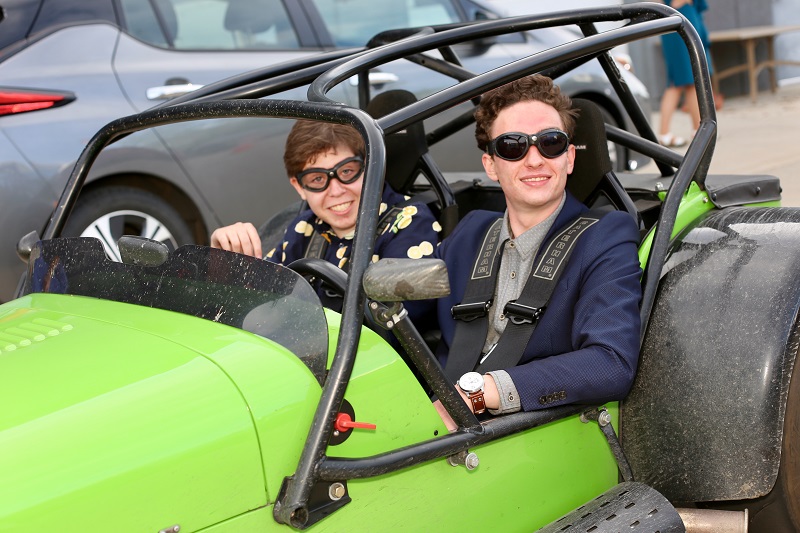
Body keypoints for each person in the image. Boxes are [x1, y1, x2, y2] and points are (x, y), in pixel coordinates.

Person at [432, 75, 642, 429]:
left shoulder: (606, 235)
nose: (534, 160)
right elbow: (393, 315)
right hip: (428, 424)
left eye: (551, 143)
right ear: (491, 165)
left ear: (570, 158)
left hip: (529, 437)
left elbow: (611, 362)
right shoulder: (470, 232)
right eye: (513, 146)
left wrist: (481, 394)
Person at [211, 119, 441, 312]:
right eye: (317, 179)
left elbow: (400, 320)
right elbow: (261, 300)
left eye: (347, 171)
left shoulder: (409, 222)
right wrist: (226, 265)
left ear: (370, 168)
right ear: (299, 187)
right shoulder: (305, 227)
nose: (336, 190)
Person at [658, 0, 715, 147]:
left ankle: (698, 129)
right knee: (678, 81)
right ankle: (664, 133)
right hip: (679, 17)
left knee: (690, 80)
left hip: (678, 17)